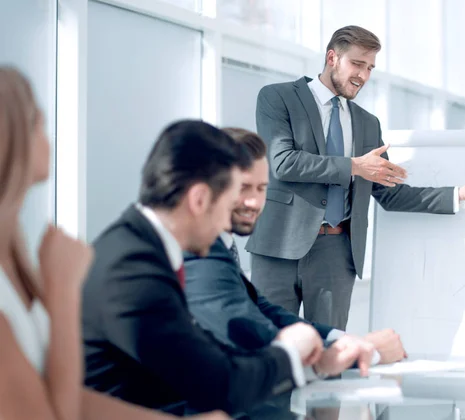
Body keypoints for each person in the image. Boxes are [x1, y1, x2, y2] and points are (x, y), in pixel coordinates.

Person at [81, 120, 374, 417]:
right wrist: (290, 352)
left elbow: (205, 360)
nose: (228, 220)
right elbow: (220, 384)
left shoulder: (140, 249)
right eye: (230, 199)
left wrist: (314, 361)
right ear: (199, 199)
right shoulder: (134, 271)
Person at [0, 67, 227, 419]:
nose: (50, 136)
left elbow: (68, 394)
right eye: (38, 122)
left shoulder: (17, 258)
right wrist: (62, 293)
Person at [246, 25, 465, 330]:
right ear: (332, 58)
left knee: (331, 353)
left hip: (336, 254)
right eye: (357, 64)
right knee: (271, 343)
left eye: (370, 68)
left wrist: (458, 194)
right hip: (277, 247)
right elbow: (283, 162)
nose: (363, 76)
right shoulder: (278, 97)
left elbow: (389, 193)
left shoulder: (367, 124)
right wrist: (353, 166)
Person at [184, 127, 405, 364]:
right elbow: (251, 337)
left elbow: (261, 310)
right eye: (243, 187)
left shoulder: (220, 245)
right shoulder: (197, 253)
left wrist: (343, 340)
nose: (255, 202)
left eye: (262, 188)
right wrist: (365, 353)